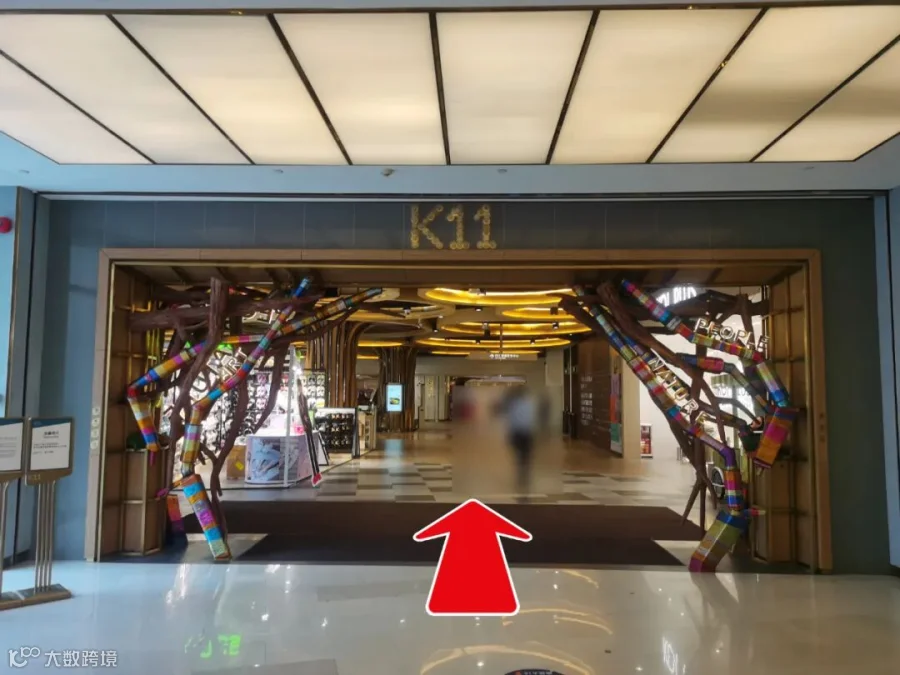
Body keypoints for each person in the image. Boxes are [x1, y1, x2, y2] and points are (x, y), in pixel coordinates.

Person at [495, 386, 545, 497]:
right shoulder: (530, 402)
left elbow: (510, 418)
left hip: (518, 433)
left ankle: (522, 473)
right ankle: (524, 474)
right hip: (527, 432)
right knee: (525, 455)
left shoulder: (514, 404)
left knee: (520, 454)